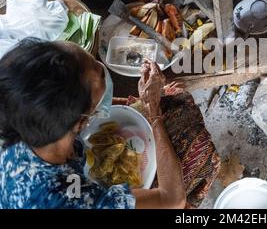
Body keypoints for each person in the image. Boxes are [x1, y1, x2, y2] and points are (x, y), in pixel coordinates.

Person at [0, 38, 186, 209]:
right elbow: (172, 199)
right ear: (81, 121)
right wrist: (153, 112)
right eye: (99, 71)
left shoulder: (21, 115)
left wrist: (141, 102)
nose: (100, 65)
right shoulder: (72, 199)